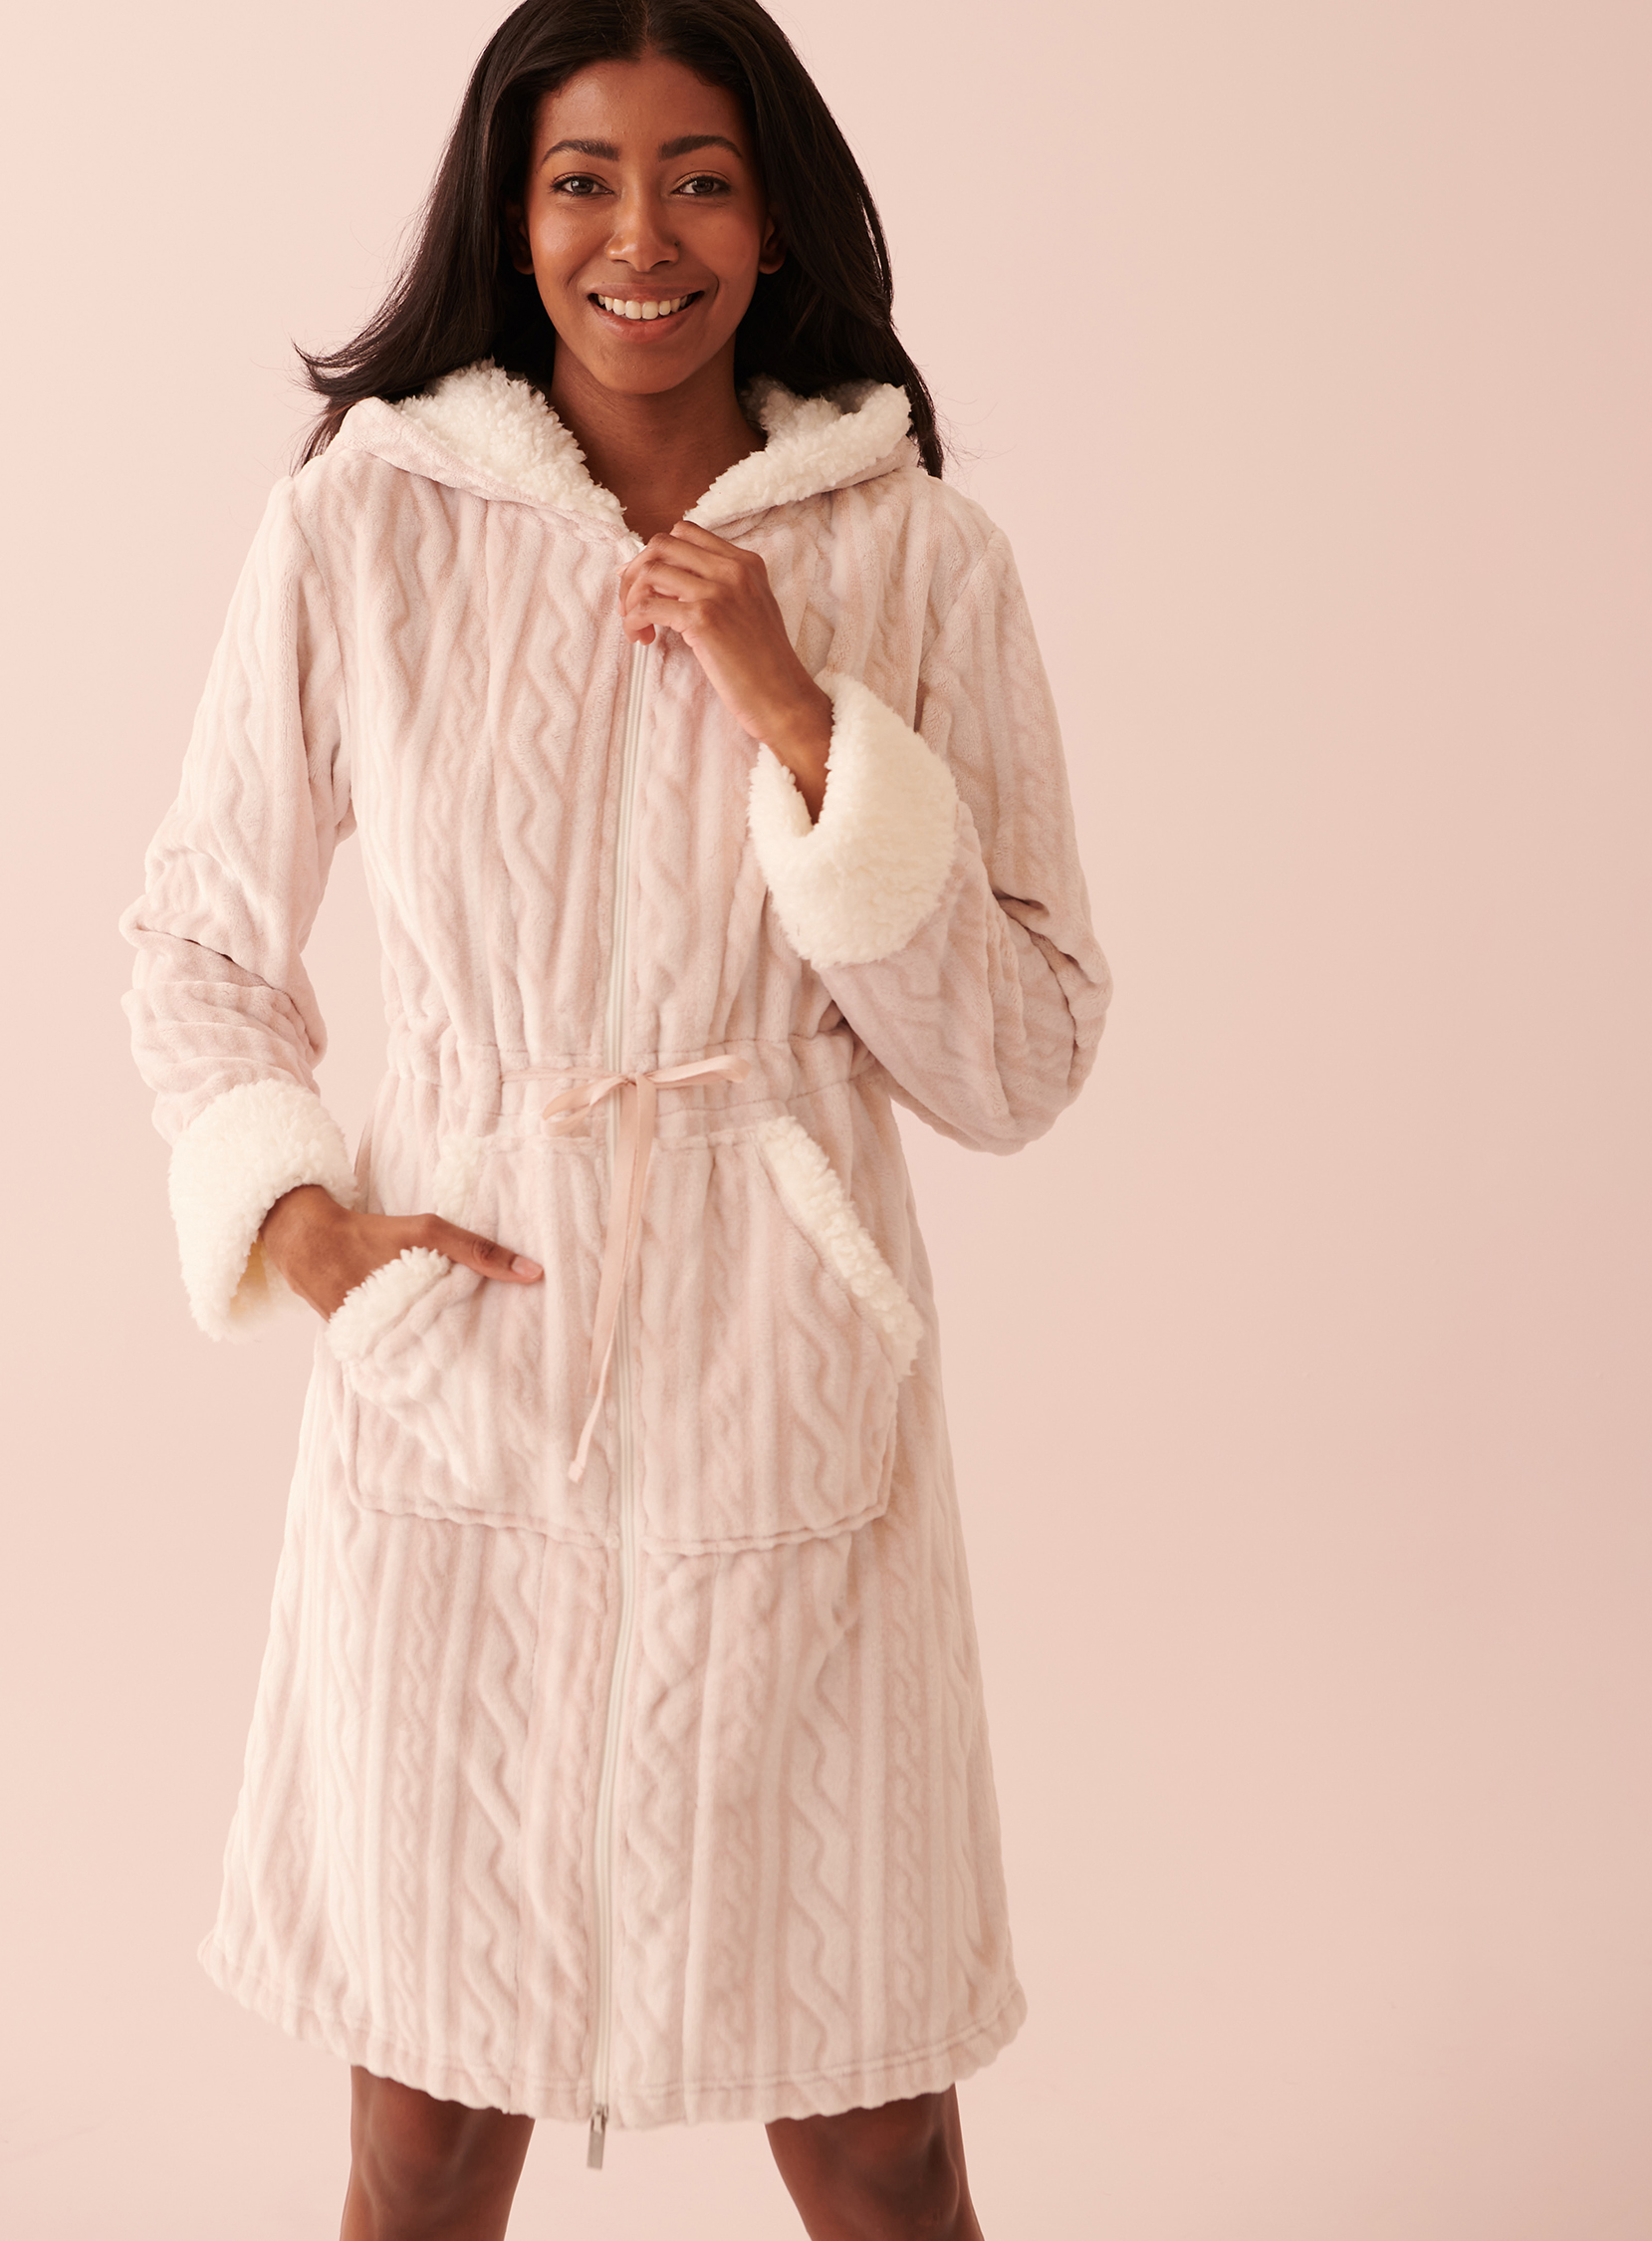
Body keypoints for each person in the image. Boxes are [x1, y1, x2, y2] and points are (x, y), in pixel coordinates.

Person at [122, 1, 1109, 2233]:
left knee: (877, 2136)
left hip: (791, 1393)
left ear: (774, 224)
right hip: (463, 1381)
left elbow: (1025, 1055)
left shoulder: (920, 559)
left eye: (699, 180)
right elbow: (196, 934)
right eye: (584, 180)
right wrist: (304, 1226)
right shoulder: (367, 528)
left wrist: (805, 727)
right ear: (512, 214)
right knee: (424, 2132)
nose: (638, 239)